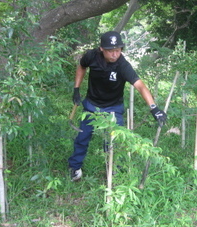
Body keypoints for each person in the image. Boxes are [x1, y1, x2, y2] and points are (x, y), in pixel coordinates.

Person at [68, 31, 167, 181]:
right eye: (111, 50)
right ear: (102, 49)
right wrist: (76, 89)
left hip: (113, 108)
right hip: (91, 105)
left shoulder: (123, 65)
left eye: (118, 50)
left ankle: (114, 172)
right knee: (82, 137)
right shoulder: (91, 56)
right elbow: (82, 66)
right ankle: (75, 168)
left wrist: (154, 108)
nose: (115, 54)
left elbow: (140, 86)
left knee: (114, 143)